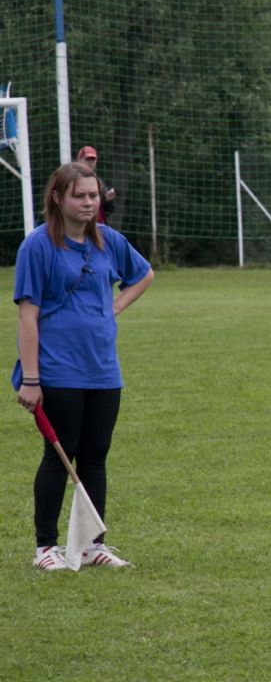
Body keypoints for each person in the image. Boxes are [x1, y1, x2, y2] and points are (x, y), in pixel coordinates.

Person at [12, 161, 154, 571]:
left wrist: (114, 308)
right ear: (58, 198)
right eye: (80, 196)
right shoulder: (37, 246)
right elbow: (27, 316)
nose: (89, 202)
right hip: (58, 370)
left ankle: (93, 546)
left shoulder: (109, 241)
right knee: (60, 457)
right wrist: (31, 379)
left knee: (95, 457)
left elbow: (144, 275)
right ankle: (46, 548)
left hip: (103, 369)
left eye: (93, 195)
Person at [76, 145, 115, 225]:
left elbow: (109, 210)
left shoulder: (99, 182)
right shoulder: (72, 180)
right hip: (80, 224)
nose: (90, 162)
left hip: (98, 225)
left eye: (93, 159)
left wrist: (108, 200)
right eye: (87, 159)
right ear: (79, 160)